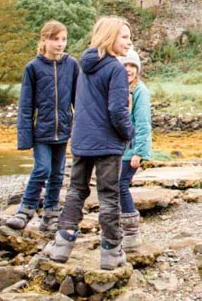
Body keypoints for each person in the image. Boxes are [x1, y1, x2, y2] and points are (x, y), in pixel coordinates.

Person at [43, 16, 135, 270]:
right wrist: (130, 132)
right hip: (106, 144)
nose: (129, 42)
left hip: (82, 140)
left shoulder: (85, 65)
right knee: (108, 197)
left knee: (75, 192)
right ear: (110, 37)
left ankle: (62, 245)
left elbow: (79, 102)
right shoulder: (116, 68)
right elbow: (117, 110)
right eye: (125, 37)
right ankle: (111, 251)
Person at [5, 20, 78, 233]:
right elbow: (25, 105)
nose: (60, 44)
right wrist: (24, 137)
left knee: (57, 174)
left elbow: (78, 100)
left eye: (63, 39)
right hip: (41, 131)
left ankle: (50, 216)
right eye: (55, 39)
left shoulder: (72, 65)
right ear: (44, 40)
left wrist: (79, 129)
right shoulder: (33, 67)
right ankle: (24, 211)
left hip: (63, 130)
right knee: (42, 169)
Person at [117, 48, 152, 249]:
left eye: (132, 66)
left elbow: (143, 123)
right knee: (115, 186)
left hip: (131, 150)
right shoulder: (119, 88)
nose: (128, 70)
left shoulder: (140, 91)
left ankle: (131, 232)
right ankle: (119, 229)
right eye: (125, 65)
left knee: (121, 186)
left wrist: (139, 152)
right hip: (118, 150)